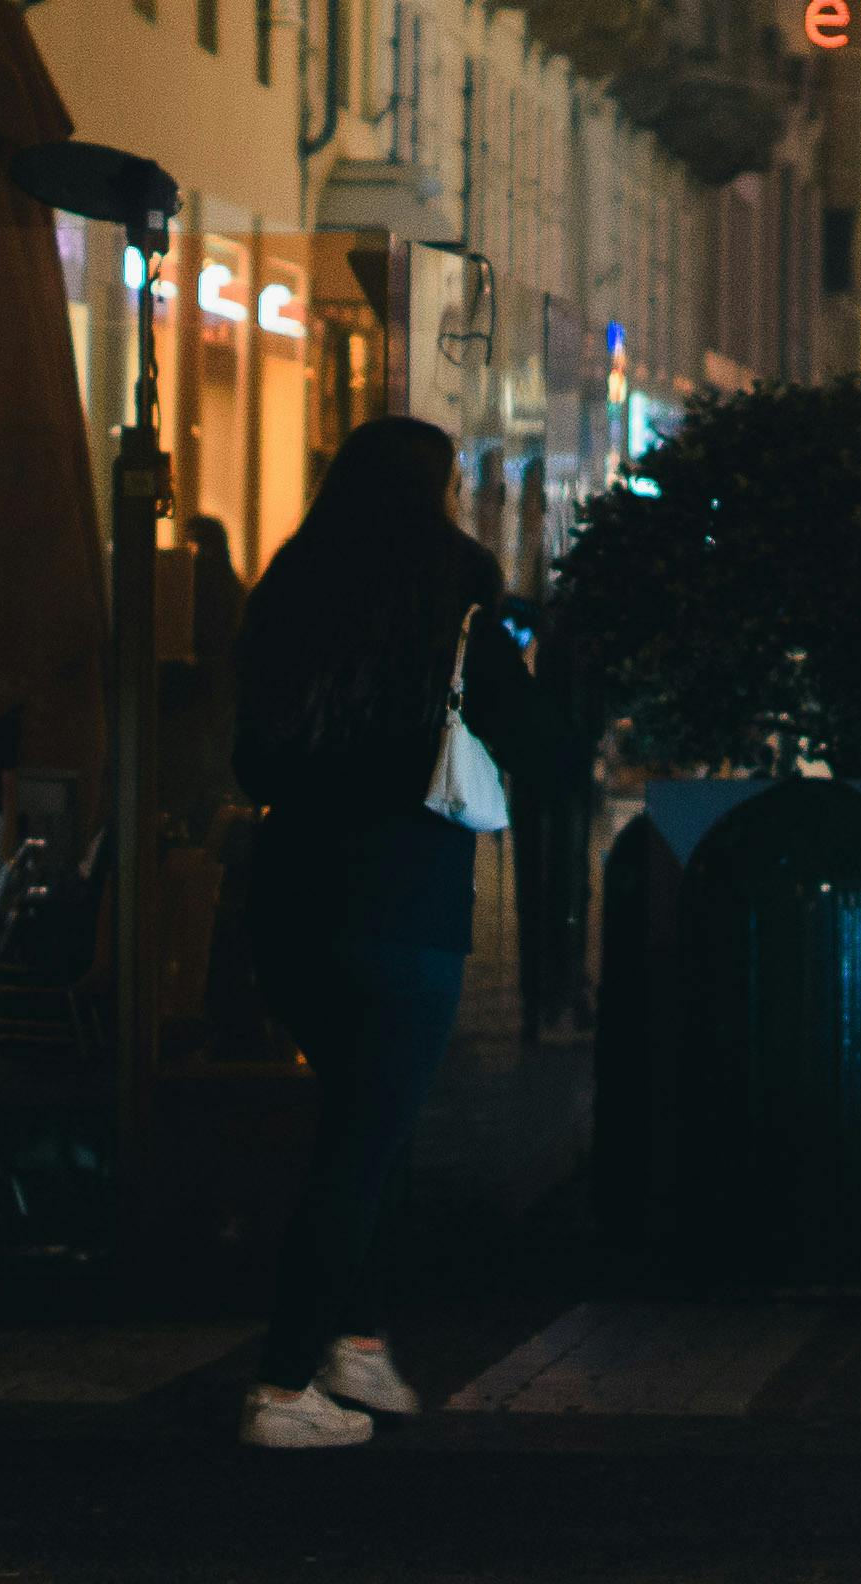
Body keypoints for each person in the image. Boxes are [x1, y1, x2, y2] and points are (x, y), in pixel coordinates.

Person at [222, 415, 524, 1451]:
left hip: (292, 895)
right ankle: (282, 1379)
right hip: (406, 897)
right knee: (361, 1138)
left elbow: (252, 765)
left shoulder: (291, 584)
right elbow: (521, 729)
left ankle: (352, 1339)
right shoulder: (461, 586)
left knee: (367, 1121)